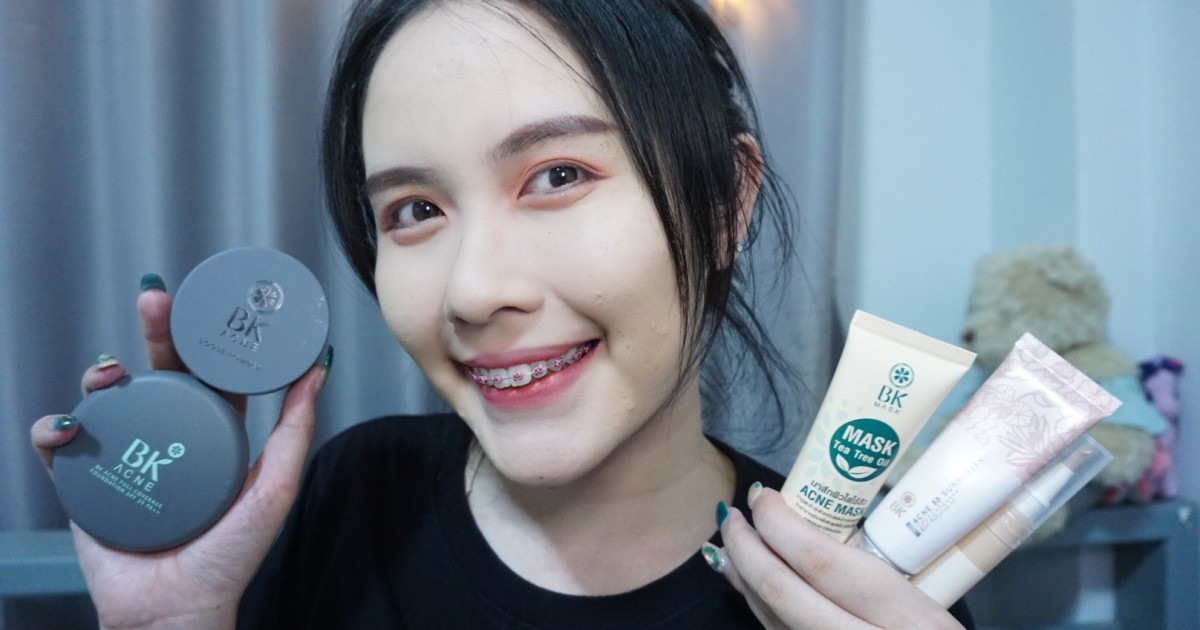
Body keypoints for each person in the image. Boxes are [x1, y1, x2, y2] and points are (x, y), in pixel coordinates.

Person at [31, 1, 972, 628]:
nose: (472, 292)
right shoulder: (354, 497)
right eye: (415, 210)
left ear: (726, 201)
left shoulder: (865, 597)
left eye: (558, 176)